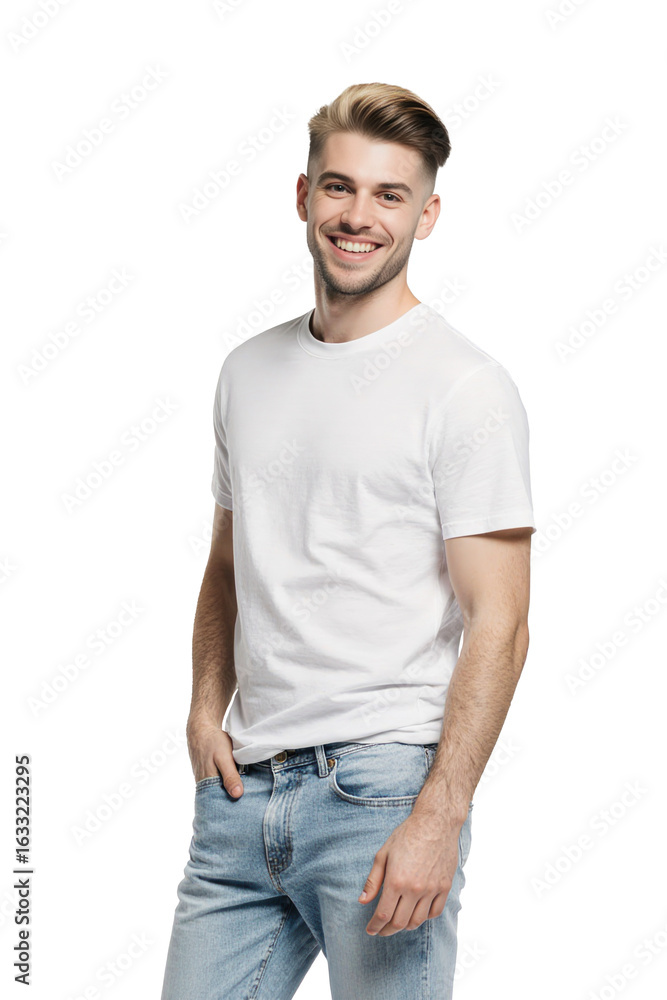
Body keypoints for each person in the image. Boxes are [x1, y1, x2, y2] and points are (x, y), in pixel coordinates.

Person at [161, 82, 536, 1000]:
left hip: (380, 791)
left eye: (388, 195)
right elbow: (228, 564)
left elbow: (499, 621)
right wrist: (206, 710)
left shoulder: (464, 387)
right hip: (240, 795)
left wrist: (439, 815)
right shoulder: (246, 370)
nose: (358, 216)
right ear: (303, 196)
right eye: (339, 187)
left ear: (425, 216)